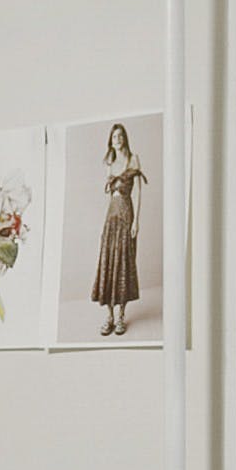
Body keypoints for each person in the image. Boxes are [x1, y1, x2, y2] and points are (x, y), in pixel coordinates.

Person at [89, 121, 148, 338]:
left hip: (126, 213)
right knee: (108, 261)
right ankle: (110, 317)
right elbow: (108, 197)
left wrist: (136, 221)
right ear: (110, 142)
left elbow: (138, 192)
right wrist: (104, 223)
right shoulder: (110, 164)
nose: (117, 140)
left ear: (125, 138)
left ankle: (121, 315)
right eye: (114, 137)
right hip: (111, 216)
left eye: (120, 136)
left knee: (124, 261)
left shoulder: (134, 159)